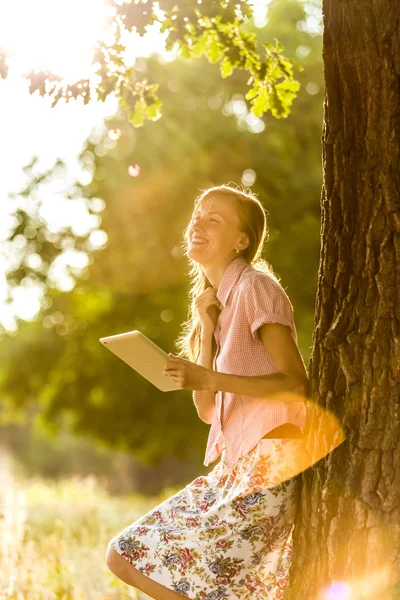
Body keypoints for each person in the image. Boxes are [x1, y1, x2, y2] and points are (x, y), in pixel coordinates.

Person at [106, 184, 310, 600]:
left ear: (242, 240)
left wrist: (211, 378)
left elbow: (296, 383)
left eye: (213, 219)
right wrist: (208, 334)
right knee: (122, 554)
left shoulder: (256, 288)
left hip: (270, 465)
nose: (197, 223)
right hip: (233, 470)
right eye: (197, 215)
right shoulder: (214, 305)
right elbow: (206, 410)